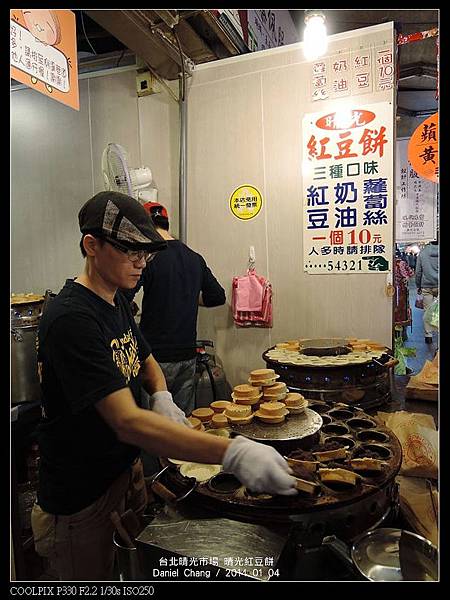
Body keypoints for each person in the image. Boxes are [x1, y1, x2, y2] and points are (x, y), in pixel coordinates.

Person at [30, 191, 297, 581]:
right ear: (92, 245)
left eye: (146, 253)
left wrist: (161, 393)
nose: (141, 263)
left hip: (123, 476)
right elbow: (128, 422)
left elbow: (145, 357)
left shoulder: (115, 299)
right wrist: (233, 453)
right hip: (80, 501)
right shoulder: (72, 319)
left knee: (132, 571)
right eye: (130, 251)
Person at [123, 201, 226, 416]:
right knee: (183, 422)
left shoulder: (148, 258)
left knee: (152, 425)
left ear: (146, 227)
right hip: (187, 354)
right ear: (167, 224)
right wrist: (187, 297)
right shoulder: (194, 258)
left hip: (155, 358)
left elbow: (122, 298)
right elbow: (217, 297)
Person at [415, 235, 439, 344]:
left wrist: (418, 285)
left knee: (427, 310)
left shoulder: (423, 252)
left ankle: (428, 335)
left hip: (427, 285)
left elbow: (418, 271)